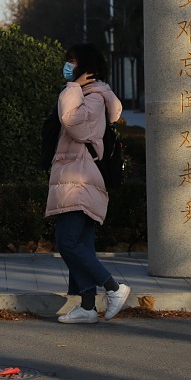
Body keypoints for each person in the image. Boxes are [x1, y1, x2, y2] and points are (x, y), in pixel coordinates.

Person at [45, 43, 130, 324]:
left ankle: (114, 288)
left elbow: (74, 124)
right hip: (78, 175)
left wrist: (71, 89)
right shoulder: (86, 94)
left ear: (87, 68)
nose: (68, 66)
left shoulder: (93, 99)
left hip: (81, 177)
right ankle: (88, 307)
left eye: (73, 61)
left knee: (67, 241)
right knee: (81, 242)